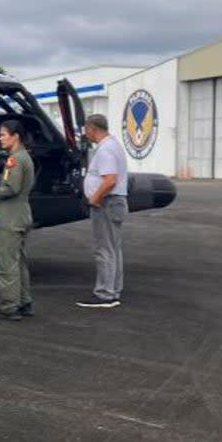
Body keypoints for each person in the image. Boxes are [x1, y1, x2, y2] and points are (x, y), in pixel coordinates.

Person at [78, 113, 128, 309]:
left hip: (106, 202)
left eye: (86, 130)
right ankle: (113, 290)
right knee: (114, 249)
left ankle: (105, 293)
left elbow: (110, 180)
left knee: (104, 249)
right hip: (115, 202)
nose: (85, 134)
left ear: (92, 128)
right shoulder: (113, 145)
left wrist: (95, 198)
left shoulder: (105, 150)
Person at [0, 119, 35, 321]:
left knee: (6, 262)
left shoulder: (14, 160)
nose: (0, 138)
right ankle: (24, 301)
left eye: (3, 134)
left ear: (15, 136)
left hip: (11, 217)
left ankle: (10, 306)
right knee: (19, 262)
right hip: (23, 214)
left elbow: (11, 188)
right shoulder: (25, 157)